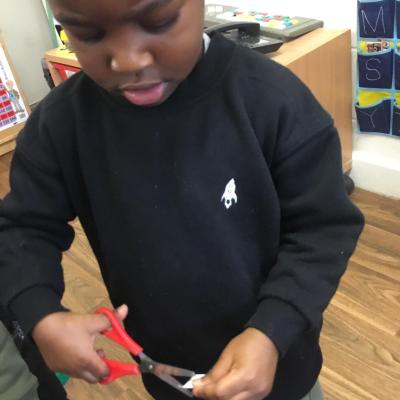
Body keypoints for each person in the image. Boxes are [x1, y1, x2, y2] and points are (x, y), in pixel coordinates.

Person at [0, 1, 364, 399]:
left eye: (158, 21)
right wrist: (39, 313)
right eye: (87, 34)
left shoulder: (273, 100)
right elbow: (23, 229)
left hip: (280, 367)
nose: (128, 61)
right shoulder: (60, 124)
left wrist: (273, 329)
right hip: (167, 370)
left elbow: (323, 229)